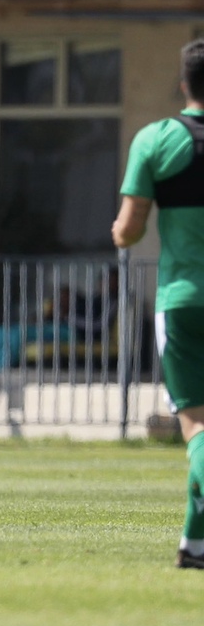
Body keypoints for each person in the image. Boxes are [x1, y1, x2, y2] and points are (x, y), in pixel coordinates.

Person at [112, 37, 204, 570]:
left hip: (185, 299)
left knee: (197, 426)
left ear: (183, 83)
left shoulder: (159, 139)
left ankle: (197, 544)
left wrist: (120, 233)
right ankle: (195, 543)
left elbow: (129, 230)